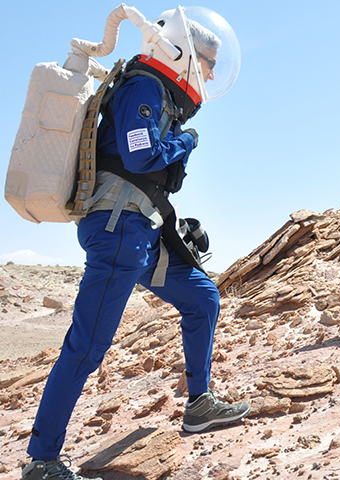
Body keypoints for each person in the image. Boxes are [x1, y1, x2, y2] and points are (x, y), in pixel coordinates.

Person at [22, 7, 247, 480]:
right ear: (184, 54)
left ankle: (199, 404)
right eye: (207, 61)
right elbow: (141, 155)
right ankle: (41, 461)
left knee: (202, 297)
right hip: (119, 230)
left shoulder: (159, 93)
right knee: (87, 346)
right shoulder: (145, 87)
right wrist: (187, 143)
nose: (208, 72)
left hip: (139, 229)